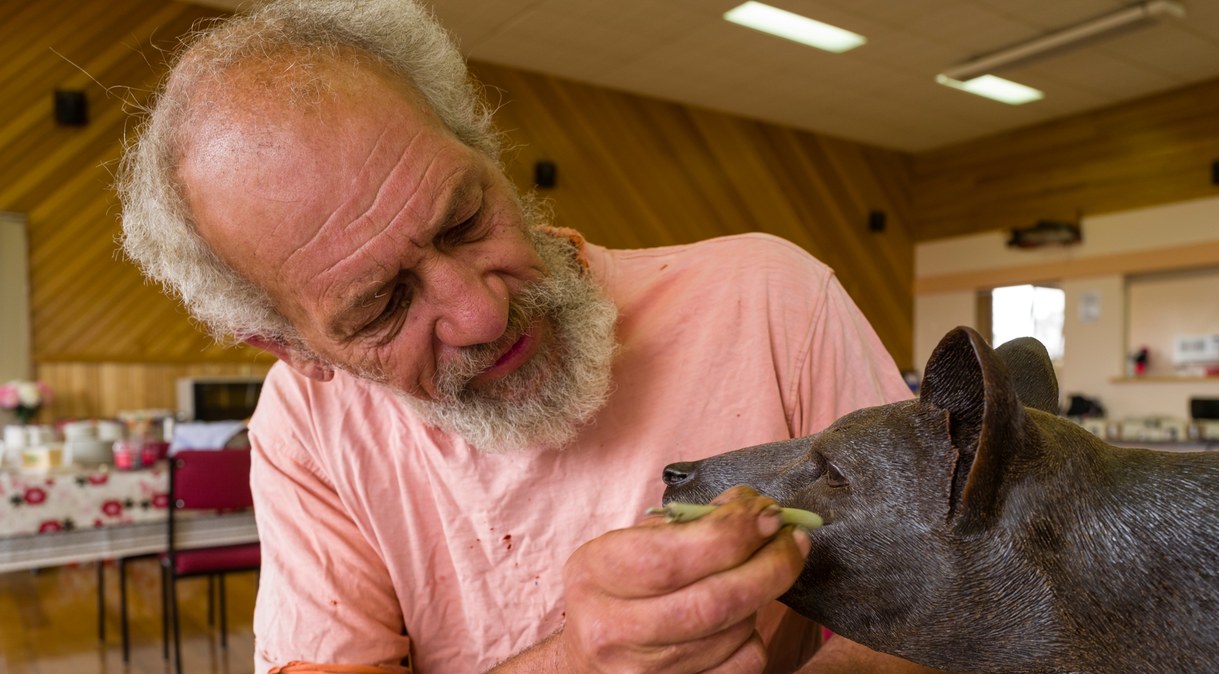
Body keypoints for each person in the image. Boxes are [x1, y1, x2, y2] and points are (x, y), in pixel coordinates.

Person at [116, 1, 936, 672]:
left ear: (486, 148)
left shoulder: (771, 300)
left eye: (466, 219)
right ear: (296, 350)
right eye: (381, 308)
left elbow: (940, 597)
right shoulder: (308, 425)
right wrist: (578, 661)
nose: (481, 315)